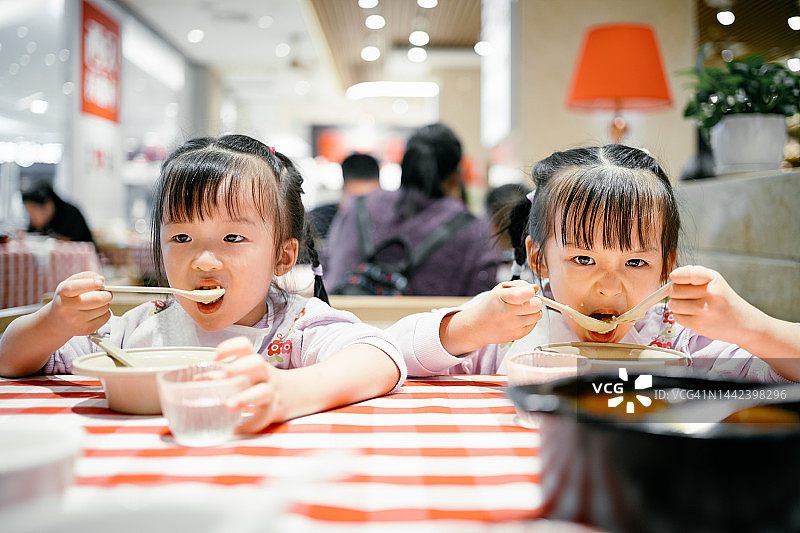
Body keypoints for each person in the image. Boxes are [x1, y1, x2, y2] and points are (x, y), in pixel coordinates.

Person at [0, 135, 406, 432]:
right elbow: (11, 360)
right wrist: (56, 321)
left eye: (232, 238)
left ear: (282, 257)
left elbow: (381, 356)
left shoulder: (295, 329)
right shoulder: (139, 328)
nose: (203, 260)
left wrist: (287, 391)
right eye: (181, 238)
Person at [386, 144, 800, 382]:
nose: (609, 286)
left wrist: (747, 324)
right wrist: (467, 328)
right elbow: (391, 352)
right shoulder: (511, 328)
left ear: (666, 266)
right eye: (583, 258)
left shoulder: (681, 338)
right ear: (539, 258)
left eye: (636, 261)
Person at [324, 123, 501, 296]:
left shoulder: (356, 207)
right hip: (430, 325)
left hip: (346, 323)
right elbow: (483, 300)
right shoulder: (473, 230)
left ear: (405, 164)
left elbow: (326, 270)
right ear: (455, 176)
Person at [309, 152, 382, 242]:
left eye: (371, 199)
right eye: (358, 199)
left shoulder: (390, 222)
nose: (364, 207)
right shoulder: (317, 221)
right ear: (344, 189)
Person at [21, 181, 95, 244]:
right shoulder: (41, 222)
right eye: (29, 214)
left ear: (48, 205)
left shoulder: (70, 214)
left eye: (33, 213)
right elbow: (29, 236)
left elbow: (65, 243)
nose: (32, 218)